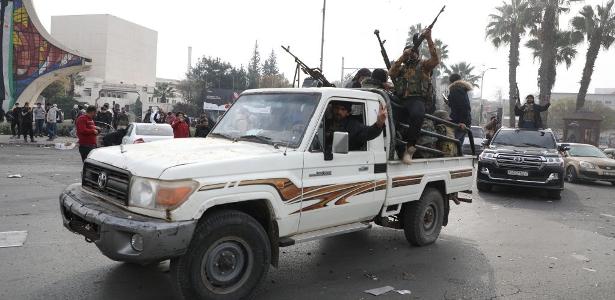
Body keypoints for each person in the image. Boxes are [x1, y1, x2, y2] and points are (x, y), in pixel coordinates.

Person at [389, 28, 439, 164]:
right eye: (408, 54)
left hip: (416, 99)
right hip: (401, 99)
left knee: (417, 113)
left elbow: (435, 60)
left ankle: (409, 148)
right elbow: (391, 73)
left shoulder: (424, 66)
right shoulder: (402, 68)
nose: (411, 56)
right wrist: (402, 57)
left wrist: (429, 38)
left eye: (412, 53)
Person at [447, 73, 473, 144]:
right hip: (463, 121)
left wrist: (463, 122)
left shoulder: (456, 89)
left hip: (459, 122)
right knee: (457, 145)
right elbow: (458, 105)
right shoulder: (461, 89)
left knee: (454, 145)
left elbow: (464, 106)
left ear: (451, 81)